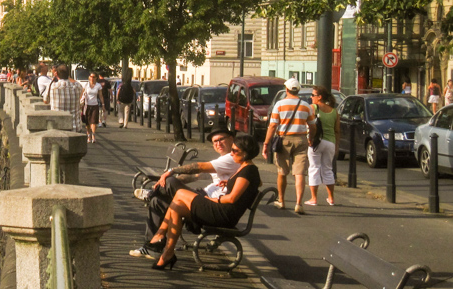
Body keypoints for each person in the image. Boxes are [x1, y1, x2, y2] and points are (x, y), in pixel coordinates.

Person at [146, 135, 261, 270]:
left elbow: (232, 198)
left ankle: (160, 235)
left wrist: (213, 199)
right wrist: (230, 183)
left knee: (180, 194)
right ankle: (167, 253)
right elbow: (253, 184)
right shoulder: (245, 167)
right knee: (177, 206)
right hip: (222, 210)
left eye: (235, 151)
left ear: (246, 153)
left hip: (224, 214)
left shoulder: (249, 170)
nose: (231, 153)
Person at [129, 128, 240, 259]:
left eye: (221, 139)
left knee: (169, 181)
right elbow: (197, 175)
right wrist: (165, 185)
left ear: (232, 139)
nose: (218, 143)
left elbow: (199, 167)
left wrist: (171, 172)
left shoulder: (231, 159)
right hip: (203, 196)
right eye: (215, 141)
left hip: (209, 203)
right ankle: (152, 248)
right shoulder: (223, 160)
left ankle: (151, 193)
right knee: (158, 201)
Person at [262, 77, 315, 214]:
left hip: (283, 139)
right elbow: (312, 125)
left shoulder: (279, 105)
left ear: (286, 89)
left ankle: (282, 201)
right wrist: (311, 138)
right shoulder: (306, 105)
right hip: (301, 139)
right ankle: (298, 203)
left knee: (282, 171)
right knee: (300, 173)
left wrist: (266, 143)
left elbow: (273, 125)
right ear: (298, 90)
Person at [305, 85, 340, 206]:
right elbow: (337, 131)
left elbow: (310, 125)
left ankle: (313, 198)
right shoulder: (334, 111)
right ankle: (331, 198)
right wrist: (336, 146)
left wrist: (310, 139)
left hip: (317, 141)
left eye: (313, 95)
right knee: (328, 169)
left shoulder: (313, 108)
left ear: (319, 97)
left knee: (314, 168)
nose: (311, 97)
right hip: (330, 142)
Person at [44, 65, 83, 132]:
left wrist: (54, 77)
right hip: (75, 127)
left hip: (57, 127)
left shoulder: (52, 86)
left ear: (56, 73)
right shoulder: (78, 86)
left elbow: (45, 101)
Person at [81, 73, 104, 143]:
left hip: (95, 105)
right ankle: (88, 136)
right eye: (91, 76)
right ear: (89, 77)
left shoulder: (98, 85)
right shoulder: (86, 85)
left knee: (93, 121)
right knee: (87, 122)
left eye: (93, 77)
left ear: (96, 78)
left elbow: (100, 95)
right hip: (87, 105)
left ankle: (93, 135)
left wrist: (103, 104)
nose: (92, 78)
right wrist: (80, 102)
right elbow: (82, 94)